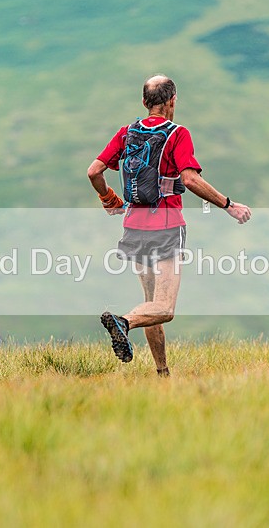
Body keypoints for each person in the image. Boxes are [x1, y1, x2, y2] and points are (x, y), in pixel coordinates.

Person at [87, 74, 252, 376]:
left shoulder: (127, 133)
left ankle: (162, 374)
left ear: (144, 102)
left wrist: (109, 198)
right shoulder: (178, 134)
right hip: (166, 226)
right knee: (164, 308)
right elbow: (190, 179)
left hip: (133, 227)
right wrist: (228, 205)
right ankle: (123, 322)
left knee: (152, 306)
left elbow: (94, 171)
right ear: (172, 101)